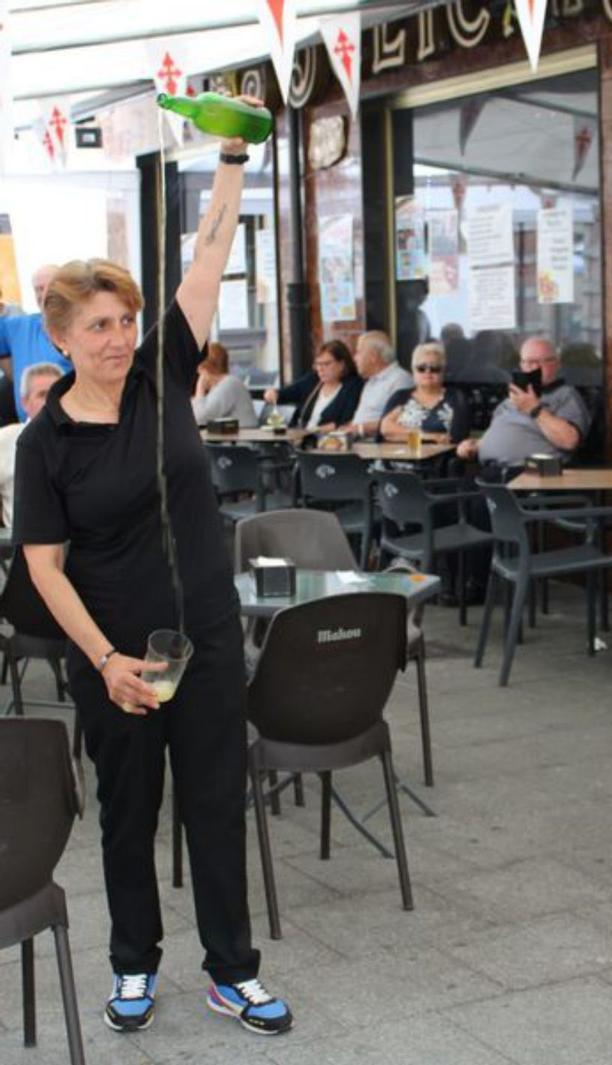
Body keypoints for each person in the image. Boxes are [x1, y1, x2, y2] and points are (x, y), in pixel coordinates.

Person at [13, 105, 292, 1038]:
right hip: (116, 656)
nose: (120, 337)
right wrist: (103, 662)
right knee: (128, 818)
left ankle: (232, 970)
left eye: (127, 319)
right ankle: (133, 963)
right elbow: (45, 569)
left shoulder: (162, 373)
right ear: (61, 337)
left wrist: (230, 154)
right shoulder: (45, 446)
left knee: (215, 805)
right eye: (99, 325)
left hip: (206, 634)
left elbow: (209, 253)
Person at [455, 336, 589, 475]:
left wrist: (535, 409)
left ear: (557, 363)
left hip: (535, 475)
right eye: (530, 362)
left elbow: (569, 441)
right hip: (490, 473)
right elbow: (501, 434)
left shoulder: (565, 395)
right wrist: (475, 445)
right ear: (522, 365)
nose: (536, 367)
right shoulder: (511, 400)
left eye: (544, 361)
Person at [0, 263, 73, 420]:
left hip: (71, 427)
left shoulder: (80, 329)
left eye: (50, 286)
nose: (44, 293)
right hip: (29, 430)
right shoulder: (18, 326)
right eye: (38, 289)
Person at [0, 361, 63, 525]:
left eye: (56, 393)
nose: (50, 401)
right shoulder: (5, 439)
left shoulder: (84, 439)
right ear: (25, 402)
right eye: (42, 394)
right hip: (16, 545)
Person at [378, 341, 469, 444]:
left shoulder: (455, 398)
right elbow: (385, 429)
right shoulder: (400, 397)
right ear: (413, 370)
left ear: (443, 371)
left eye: (435, 368)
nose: (428, 372)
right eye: (421, 368)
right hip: (399, 457)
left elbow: (456, 437)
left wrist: (401, 434)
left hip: (440, 458)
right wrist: (429, 437)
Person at [264, 339, 361, 430]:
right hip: (302, 438)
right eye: (318, 364)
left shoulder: (353, 387)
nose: (321, 369)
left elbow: (345, 422)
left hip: (328, 442)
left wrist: (318, 430)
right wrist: (273, 393)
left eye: (326, 364)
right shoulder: (313, 380)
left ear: (341, 365)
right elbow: (285, 393)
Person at [343, 330, 413, 437]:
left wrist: (360, 428)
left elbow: (398, 421)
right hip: (357, 440)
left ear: (373, 357)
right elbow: (363, 417)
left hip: (377, 444)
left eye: (358, 352)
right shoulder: (370, 381)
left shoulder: (400, 379)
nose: (354, 358)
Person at [190, 341, 256, 428]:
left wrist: (200, 387)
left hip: (242, 439)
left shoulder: (229, 384)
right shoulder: (221, 386)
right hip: (232, 439)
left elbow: (198, 419)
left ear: (204, 368)